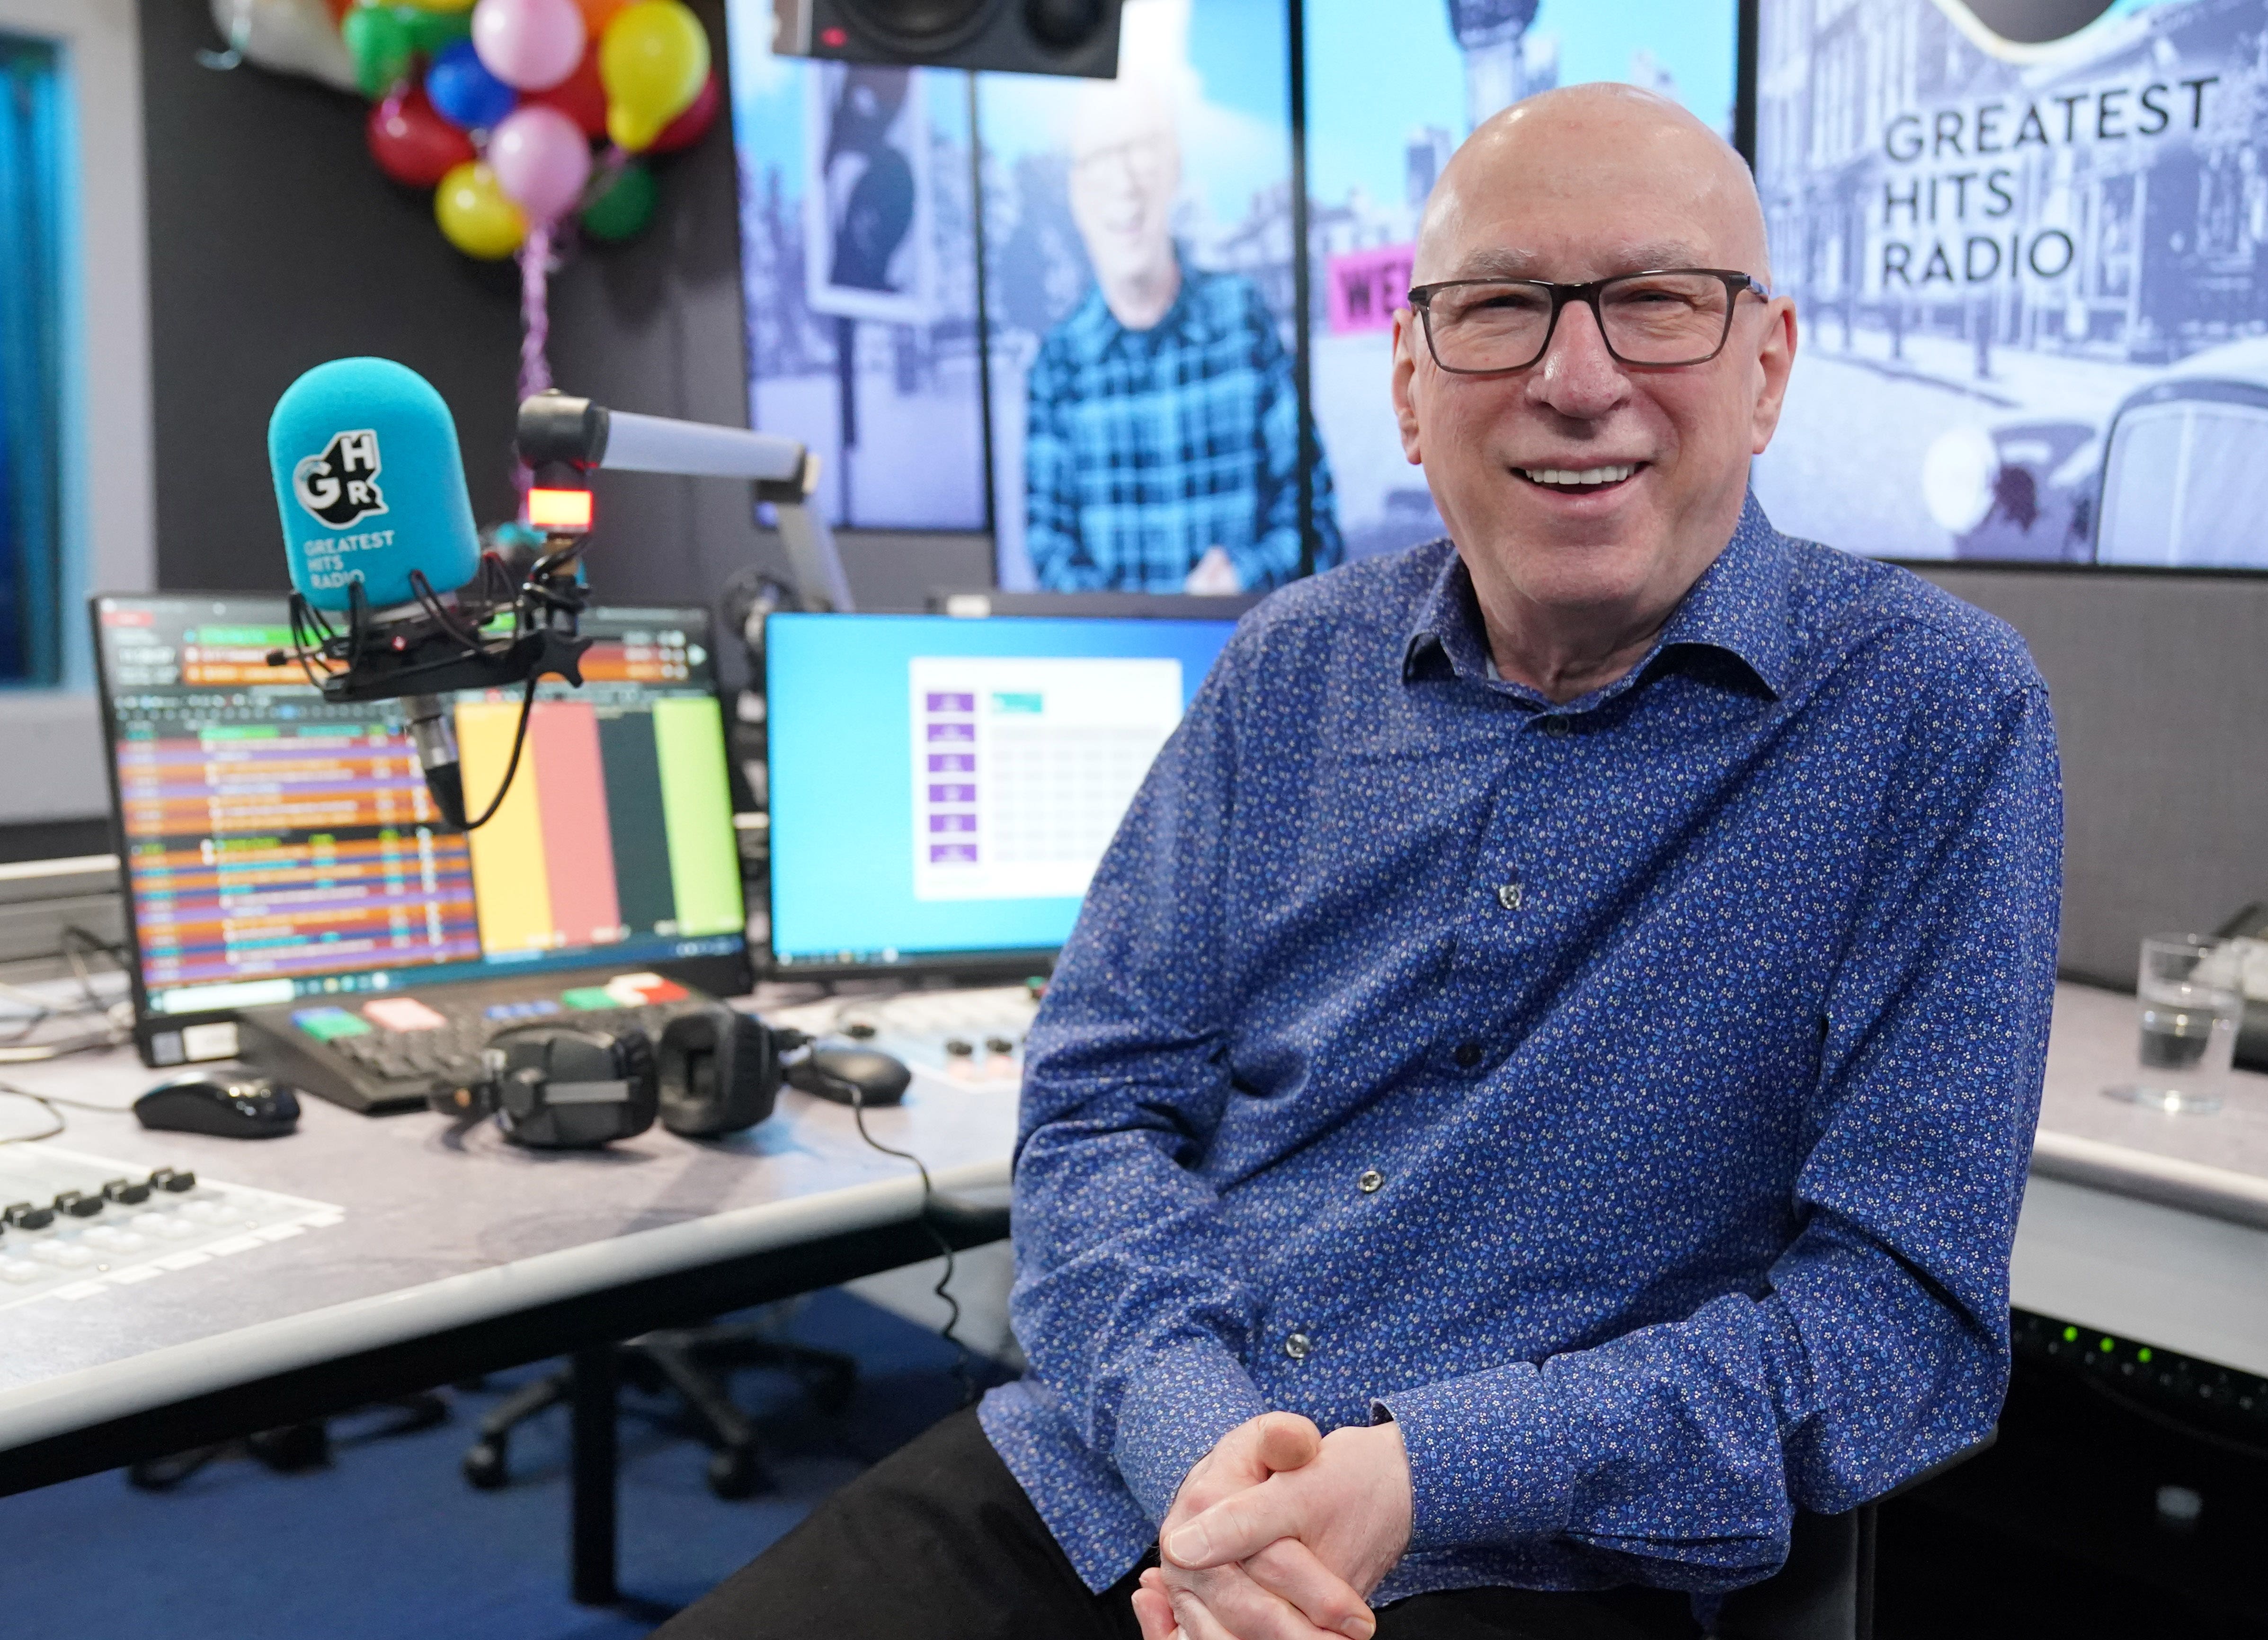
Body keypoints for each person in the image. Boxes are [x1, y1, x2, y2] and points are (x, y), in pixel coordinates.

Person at [655, 82, 2060, 1640]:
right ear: (1407, 381)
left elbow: (1896, 1330)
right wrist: (1199, 1435)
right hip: (1115, 1480)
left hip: (1532, 1558)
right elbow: (1094, 1109)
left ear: (1765, 367)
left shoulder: (1930, 713)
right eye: (1502, 307)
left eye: (1655, 303)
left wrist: (1424, 1469)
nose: (1575, 377)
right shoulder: (1288, 672)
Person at [1023, 77, 1341, 594]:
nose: (1124, 180)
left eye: (1140, 151)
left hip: (1243, 657)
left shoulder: (1242, 318)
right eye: (1102, 156)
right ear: (1078, 192)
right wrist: (1138, 629)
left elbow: (1315, 522)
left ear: (1174, 166)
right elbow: (1049, 551)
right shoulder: (1057, 364)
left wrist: (1239, 582)